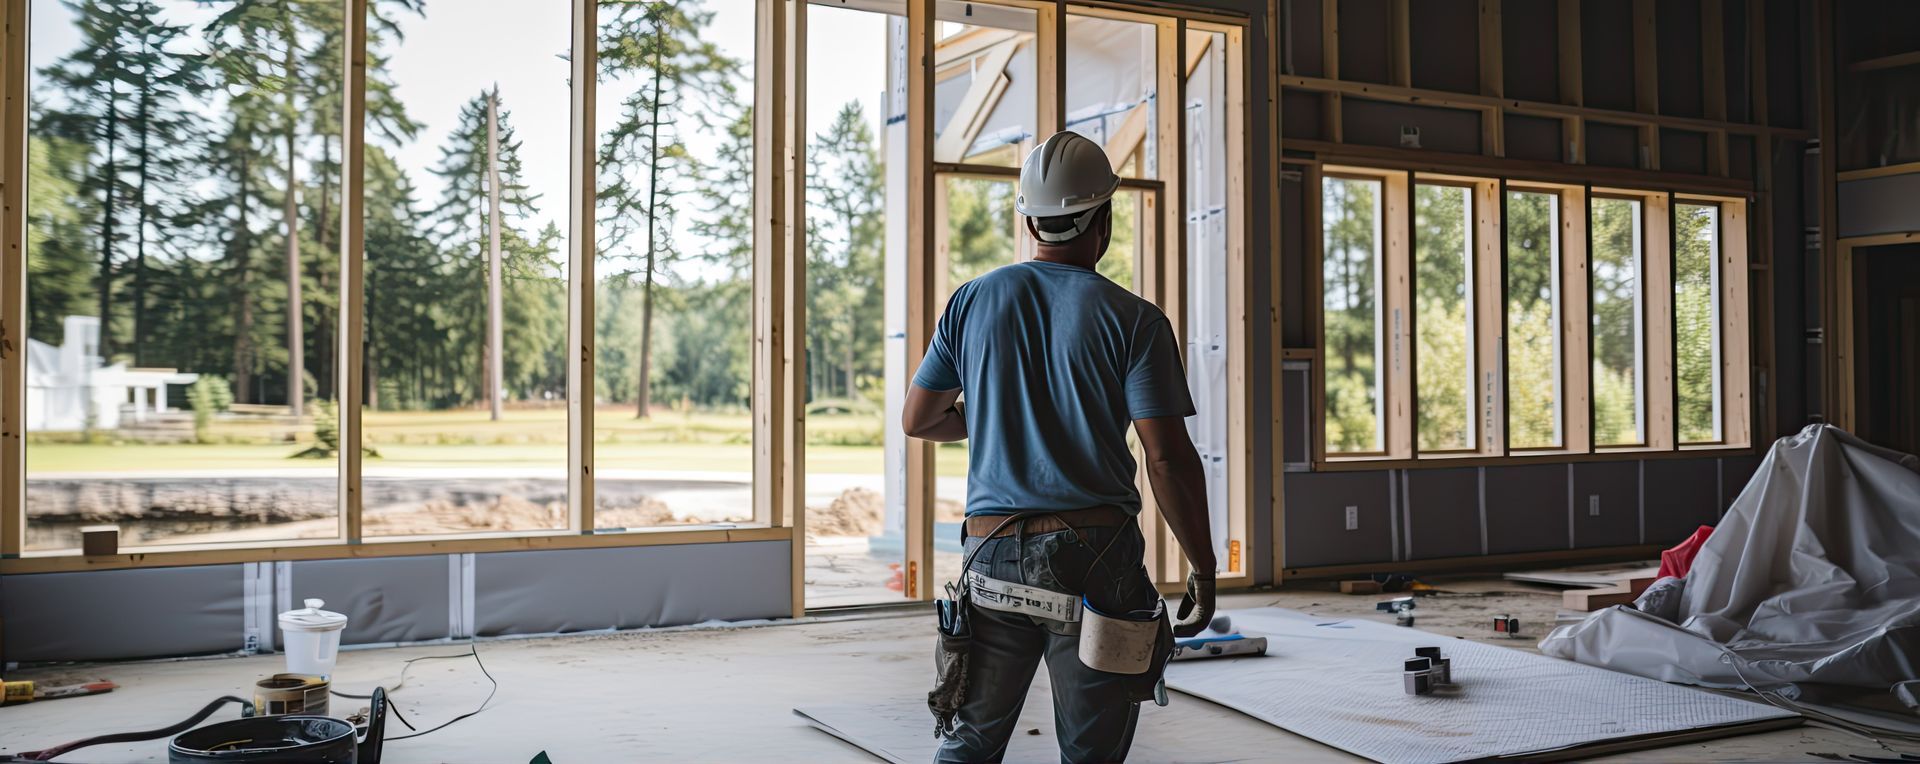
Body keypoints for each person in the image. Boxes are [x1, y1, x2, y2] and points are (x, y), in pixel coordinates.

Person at [903, 131, 1217, 764]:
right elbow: (1167, 457)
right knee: (1090, 753)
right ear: (1103, 219)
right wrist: (1202, 566)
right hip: (1095, 560)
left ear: (1029, 220)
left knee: (967, 745)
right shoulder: (1134, 320)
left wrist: (997, 411)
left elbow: (922, 419)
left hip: (991, 556)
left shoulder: (971, 302)